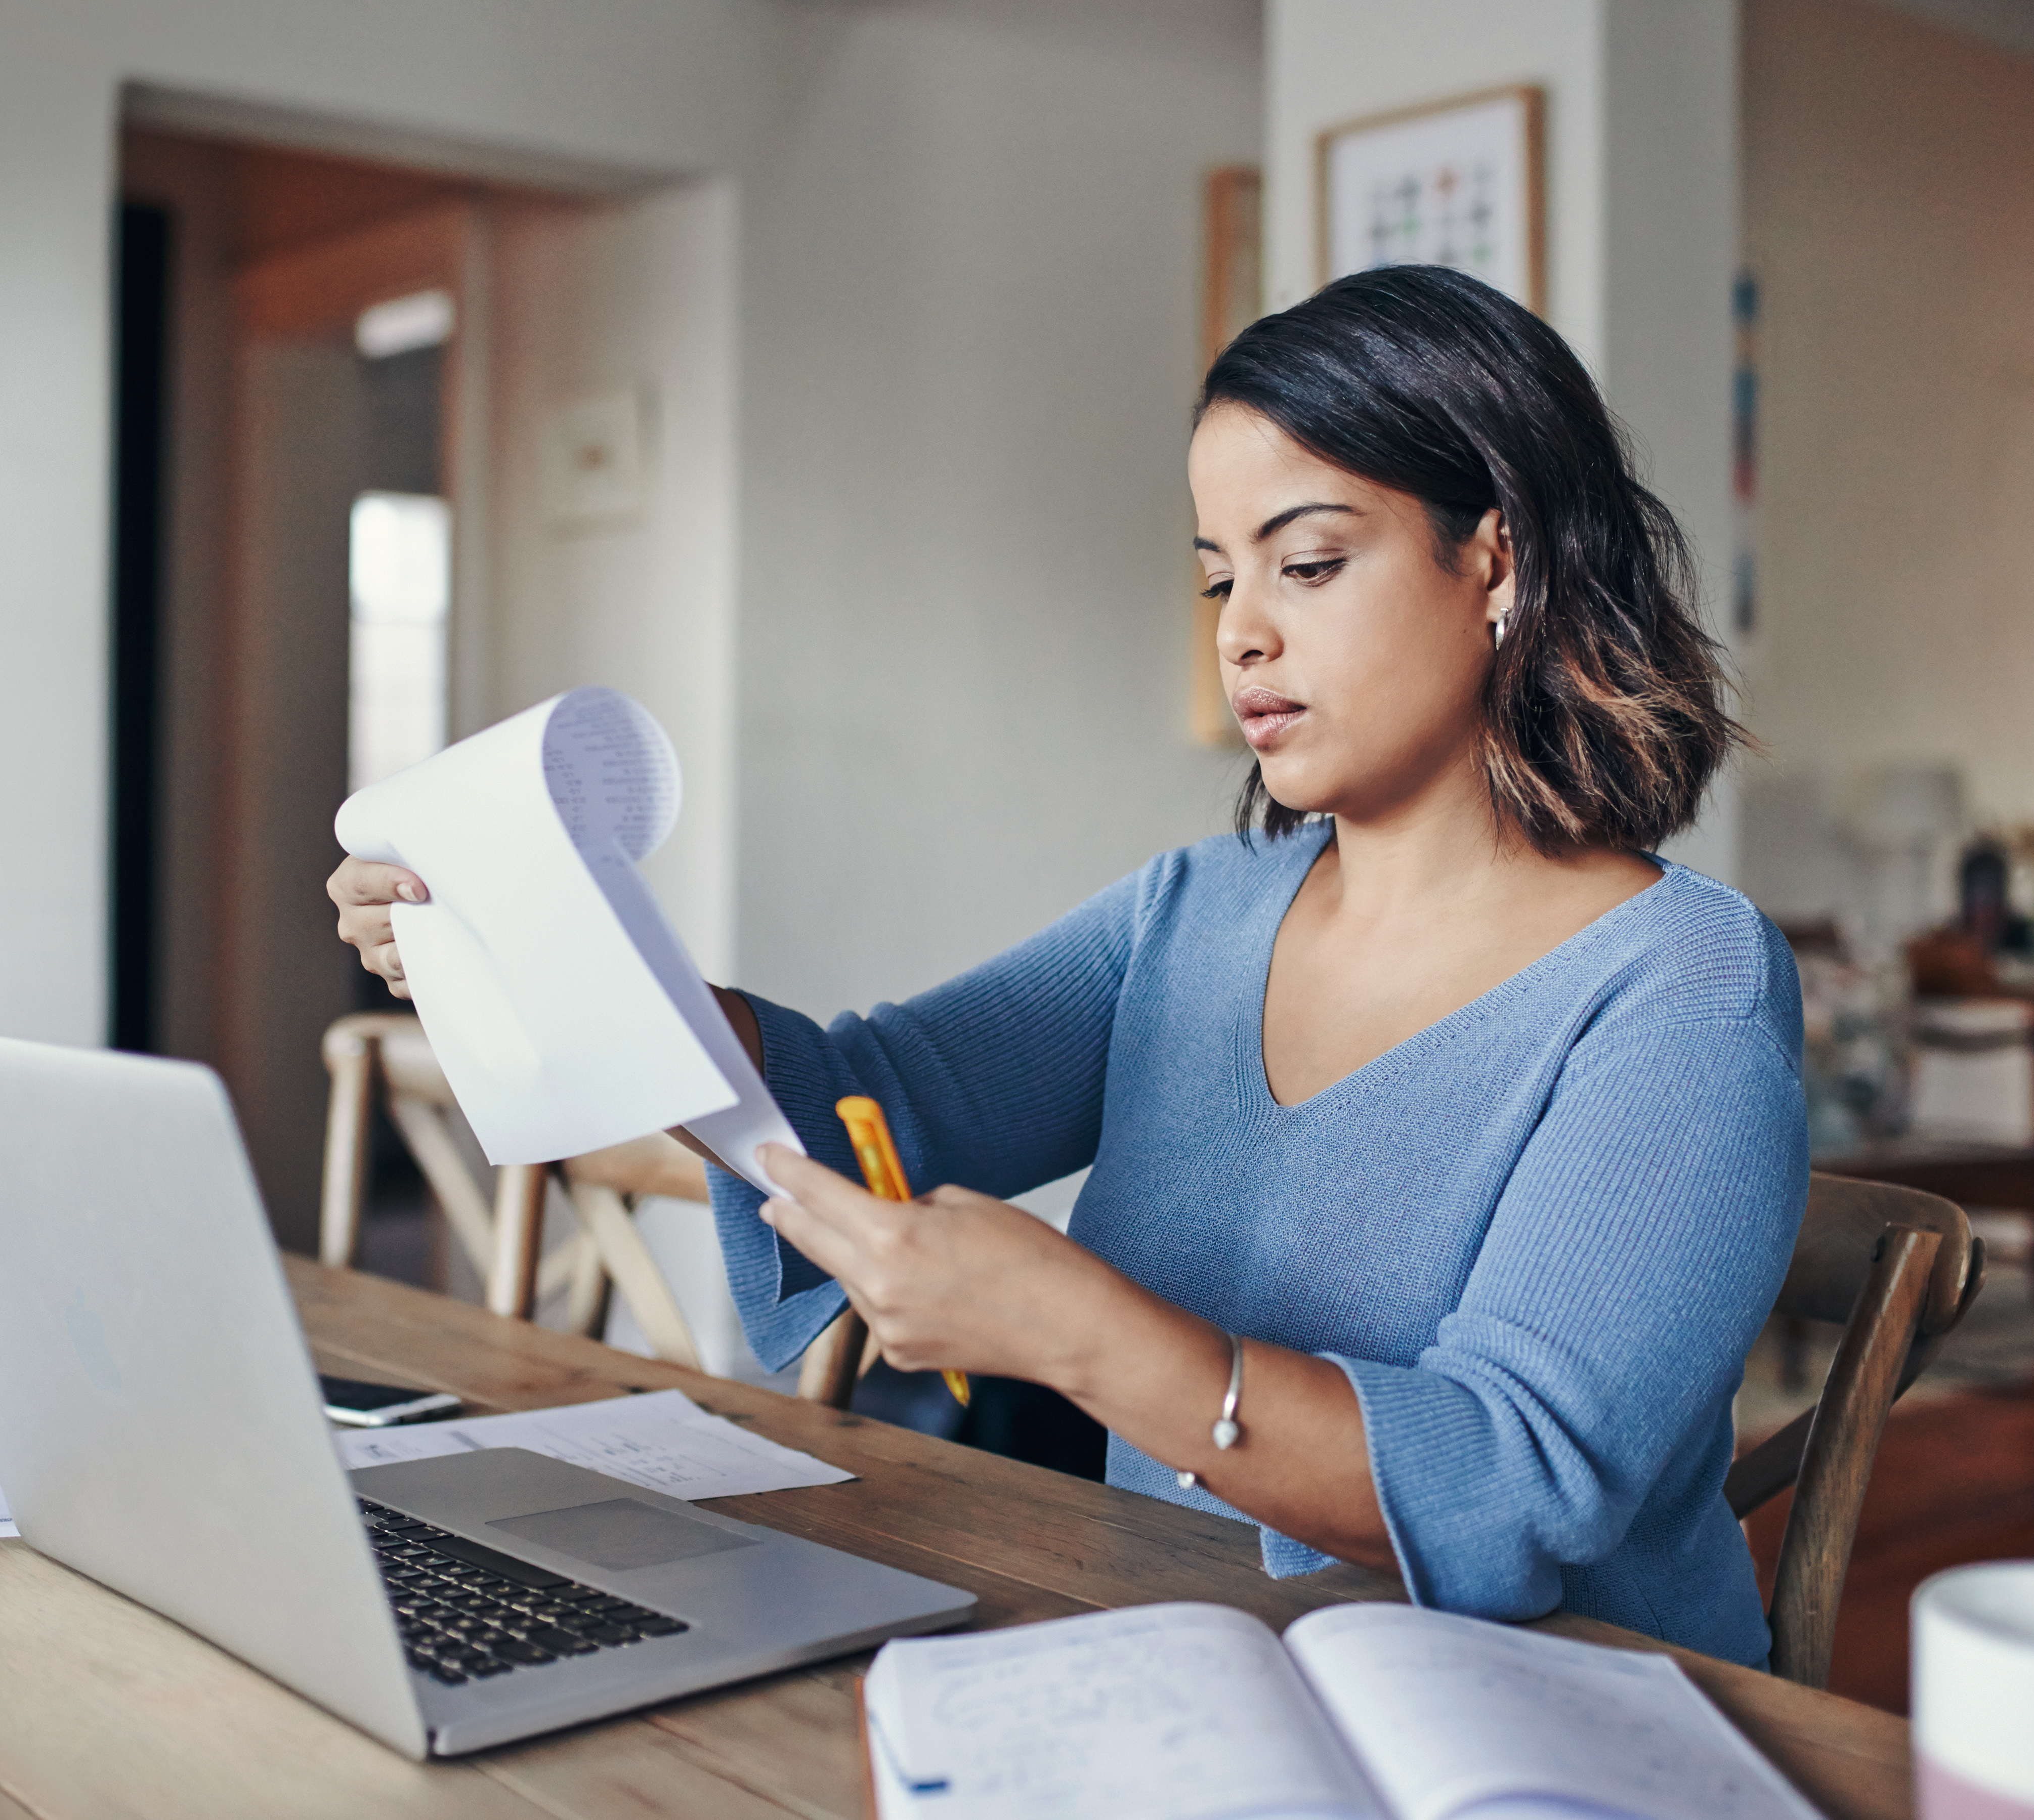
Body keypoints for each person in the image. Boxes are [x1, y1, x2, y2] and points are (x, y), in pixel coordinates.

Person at [330, 266, 1804, 1667]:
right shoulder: (1191, 918)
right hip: (1181, 1661)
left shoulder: (1680, 989)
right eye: (1218, 579)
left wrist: (1080, 1333)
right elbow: (872, 1100)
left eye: (1307, 561)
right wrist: (551, 951)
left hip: (1543, 1738)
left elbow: (1518, 1482)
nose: (1245, 633)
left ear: (1498, 557)